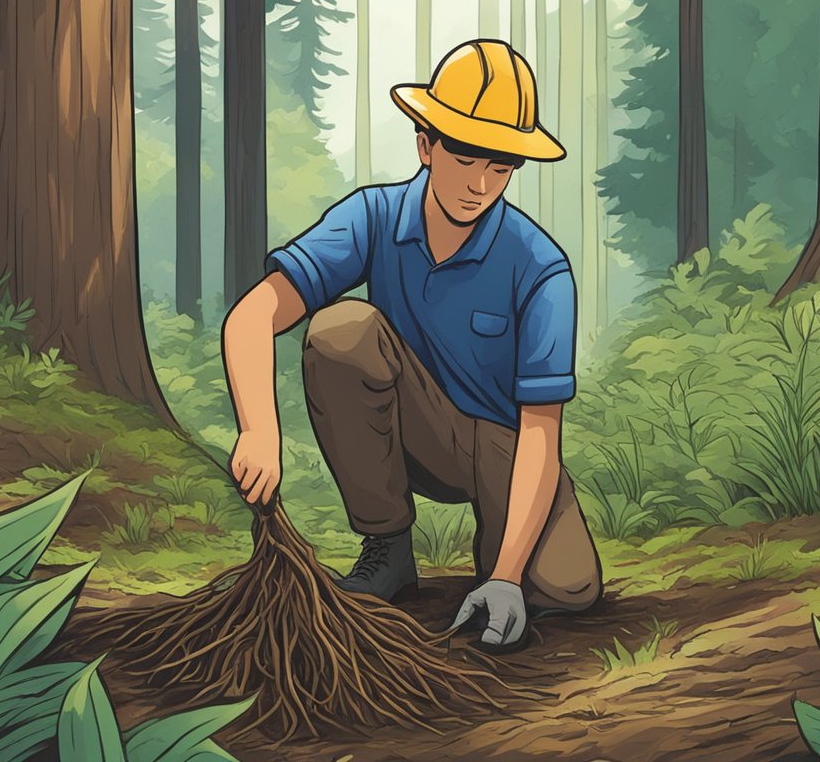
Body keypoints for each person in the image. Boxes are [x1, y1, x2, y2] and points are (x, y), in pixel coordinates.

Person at [222, 39, 602, 652]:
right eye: (464, 156)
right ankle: (388, 549)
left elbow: (539, 429)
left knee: (568, 587)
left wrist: (506, 576)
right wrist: (258, 430)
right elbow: (253, 313)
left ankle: (498, 566)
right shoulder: (372, 217)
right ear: (426, 145)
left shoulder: (541, 269)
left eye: (500, 166)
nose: (480, 184)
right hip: (409, 427)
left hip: (503, 448)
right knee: (341, 332)